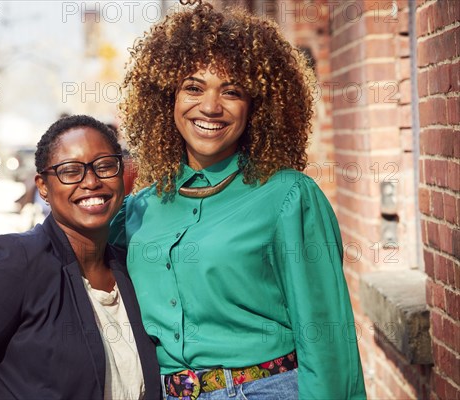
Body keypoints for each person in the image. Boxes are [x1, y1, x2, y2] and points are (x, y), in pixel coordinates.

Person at [110, 2, 366, 399]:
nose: (211, 107)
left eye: (231, 91)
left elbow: (326, 338)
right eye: (193, 87)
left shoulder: (287, 196)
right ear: (167, 99)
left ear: (256, 107)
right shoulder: (138, 209)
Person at [0, 115, 161, 399]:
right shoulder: (14, 262)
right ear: (43, 187)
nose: (92, 181)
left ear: (121, 174)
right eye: (71, 171)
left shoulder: (132, 268)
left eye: (105, 166)